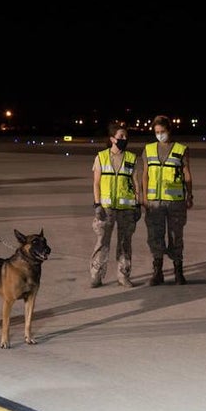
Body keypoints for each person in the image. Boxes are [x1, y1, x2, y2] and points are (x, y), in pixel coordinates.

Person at [141, 115, 192, 285]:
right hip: (154, 201)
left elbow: (186, 174)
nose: (160, 135)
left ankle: (178, 270)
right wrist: (144, 197)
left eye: (162, 131)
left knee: (176, 235)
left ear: (169, 130)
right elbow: (145, 174)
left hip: (175, 201)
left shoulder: (181, 149)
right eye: (157, 132)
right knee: (155, 235)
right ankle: (158, 271)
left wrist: (189, 195)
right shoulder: (148, 149)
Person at [91, 121, 143, 288]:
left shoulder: (131, 158)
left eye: (126, 136)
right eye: (121, 136)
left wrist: (138, 204)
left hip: (126, 208)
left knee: (125, 243)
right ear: (112, 139)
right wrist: (97, 204)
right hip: (106, 208)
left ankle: (123, 275)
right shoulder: (101, 157)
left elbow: (136, 183)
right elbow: (96, 183)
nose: (124, 139)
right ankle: (96, 276)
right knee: (102, 242)